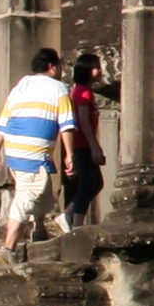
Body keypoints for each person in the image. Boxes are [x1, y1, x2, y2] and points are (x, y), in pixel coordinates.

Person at [0, 46, 78, 263]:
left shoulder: (22, 85)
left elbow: (4, 120)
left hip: (14, 147)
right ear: (52, 66)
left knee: (43, 192)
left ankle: (39, 229)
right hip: (34, 150)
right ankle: (8, 248)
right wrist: (70, 155)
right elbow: (67, 125)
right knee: (27, 195)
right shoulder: (59, 88)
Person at [60, 50, 110, 234]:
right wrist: (94, 146)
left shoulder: (84, 91)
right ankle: (76, 225)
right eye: (96, 68)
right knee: (88, 184)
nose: (100, 71)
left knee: (96, 184)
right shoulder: (83, 92)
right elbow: (83, 121)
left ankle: (69, 215)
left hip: (84, 144)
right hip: (83, 144)